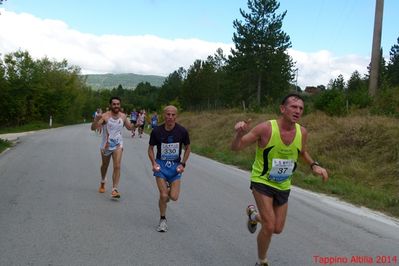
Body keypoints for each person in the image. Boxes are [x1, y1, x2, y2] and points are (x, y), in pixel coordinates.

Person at [231, 93, 328, 266]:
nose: (298, 111)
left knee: (277, 228)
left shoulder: (302, 132)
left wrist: (314, 165)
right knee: (269, 226)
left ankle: (253, 215)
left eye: (301, 108)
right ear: (282, 109)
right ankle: (262, 261)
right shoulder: (266, 128)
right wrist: (239, 134)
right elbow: (236, 147)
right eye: (293, 107)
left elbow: (302, 151)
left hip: (283, 184)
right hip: (262, 181)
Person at [148, 105, 191, 232]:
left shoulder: (182, 131)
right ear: (164, 115)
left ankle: (167, 187)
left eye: (173, 115)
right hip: (161, 166)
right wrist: (154, 163)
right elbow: (150, 149)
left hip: (175, 167)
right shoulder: (156, 131)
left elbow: (188, 148)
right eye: (168, 114)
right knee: (163, 195)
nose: (170, 117)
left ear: (176, 116)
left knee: (173, 197)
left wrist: (182, 164)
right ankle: (162, 220)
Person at [91, 96, 134, 199]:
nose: (116, 106)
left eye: (118, 104)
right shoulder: (105, 116)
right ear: (110, 105)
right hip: (106, 145)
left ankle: (114, 189)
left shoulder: (123, 116)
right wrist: (96, 120)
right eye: (114, 104)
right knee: (104, 166)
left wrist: (136, 125)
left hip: (118, 145)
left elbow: (129, 127)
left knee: (117, 166)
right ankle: (102, 181)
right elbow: (93, 128)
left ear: (120, 105)